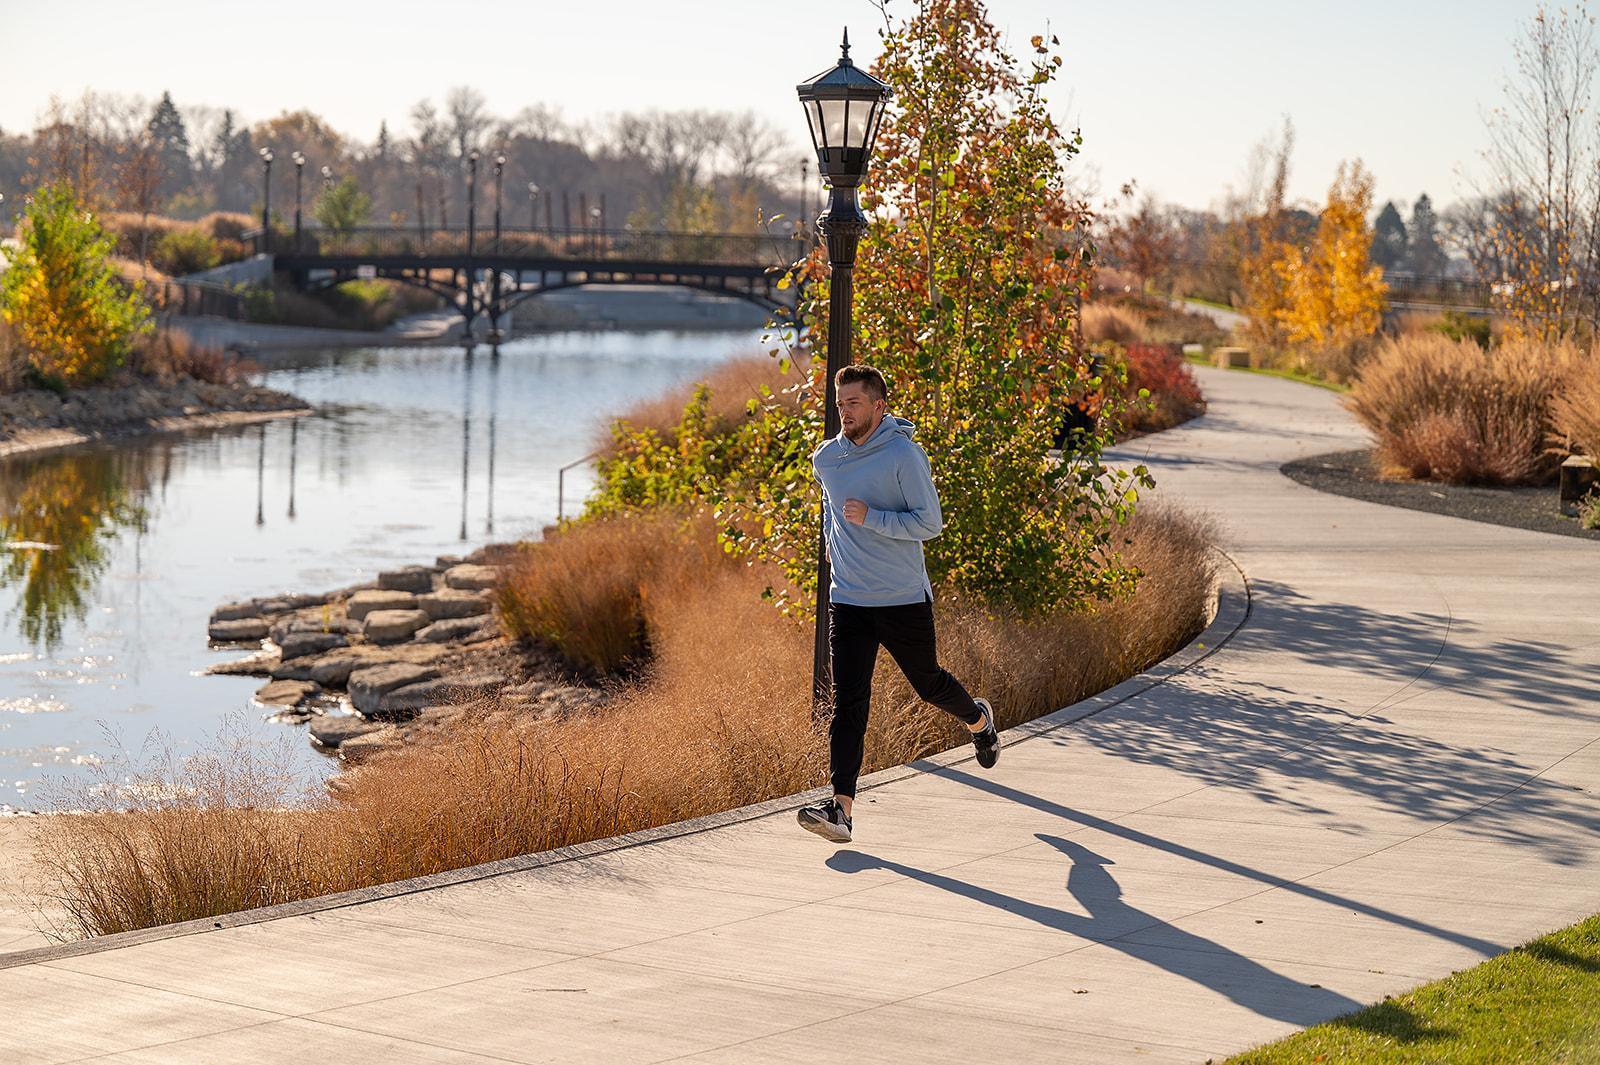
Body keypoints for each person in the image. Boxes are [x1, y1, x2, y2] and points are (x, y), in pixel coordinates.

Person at [797, 365, 998, 844]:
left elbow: (930, 523)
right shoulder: (826, 458)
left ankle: (978, 720)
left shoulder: (904, 455)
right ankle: (841, 811)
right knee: (848, 704)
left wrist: (873, 518)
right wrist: (832, 545)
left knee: (928, 684)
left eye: (854, 403)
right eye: (840, 404)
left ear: (879, 406)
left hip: (902, 598)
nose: (845, 412)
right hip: (849, 600)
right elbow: (830, 509)